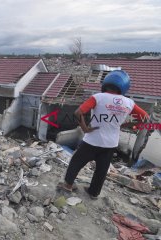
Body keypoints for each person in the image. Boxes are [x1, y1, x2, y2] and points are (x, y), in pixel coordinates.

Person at [57, 70, 149, 199]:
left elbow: (78, 113)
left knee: (76, 162)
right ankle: (93, 193)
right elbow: (145, 118)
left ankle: (68, 185)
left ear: (107, 82)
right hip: (111, 144)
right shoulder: (129, 103)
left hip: (92, 140)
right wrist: (125, 125)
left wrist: (84, 128)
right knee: (101, 170)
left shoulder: (98, 97)